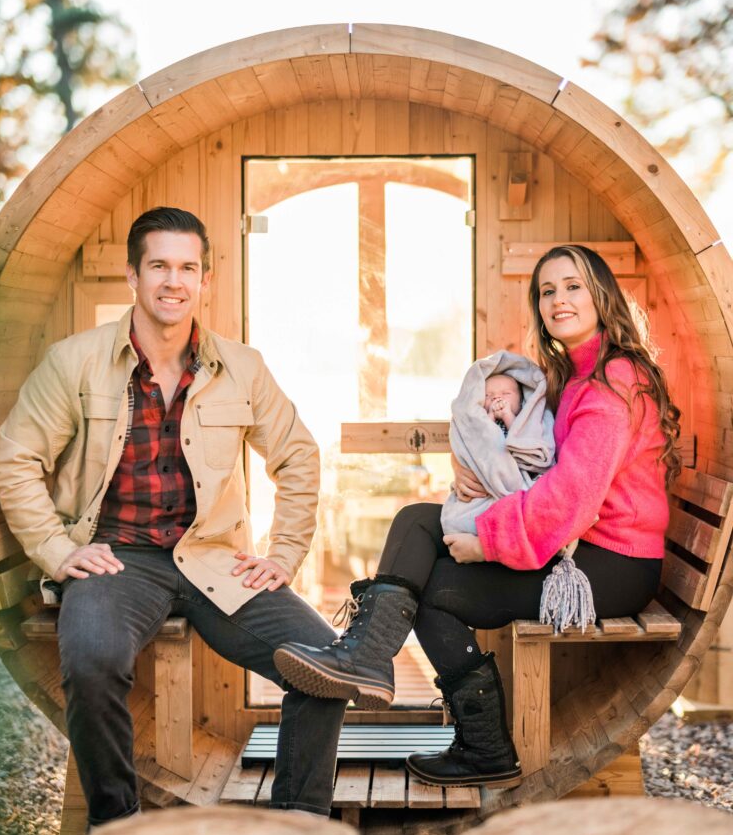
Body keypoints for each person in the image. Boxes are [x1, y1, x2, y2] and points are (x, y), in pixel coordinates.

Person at [0, 206, 402, 835]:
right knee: (89, 660)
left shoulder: (241, 367)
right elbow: (15, 459)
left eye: (187, 268)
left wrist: (282, 554)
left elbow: (298, 455)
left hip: (213, 560)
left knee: (327, 663)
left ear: (205, 281)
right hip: (118, 561)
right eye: (159, 266)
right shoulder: (76, 362)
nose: (173, 282)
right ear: (134, 275)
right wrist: (59, 550)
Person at [275, 244, 680, 790]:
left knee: (435, 590)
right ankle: (366, 655)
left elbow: (570, 501)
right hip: (579, 547)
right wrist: (475, 478)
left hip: (609, 566)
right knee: (420, 517)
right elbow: (541, 469)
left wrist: (487, 539)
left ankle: (483, 747)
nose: (558, 300)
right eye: (547, 291)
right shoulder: (577, 377)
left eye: (573, 286)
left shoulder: (612, 384)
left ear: (602, 295)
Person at [440, 351, 555, 537]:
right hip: (485, 484)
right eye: (488, 395)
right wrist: (490, 419)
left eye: (506, 393)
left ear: (520, 400)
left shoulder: (524, 420)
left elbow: (522, 441)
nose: (496, 398)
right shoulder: (482, 420)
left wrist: (509, 416)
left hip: (517, 481)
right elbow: (483, 437)